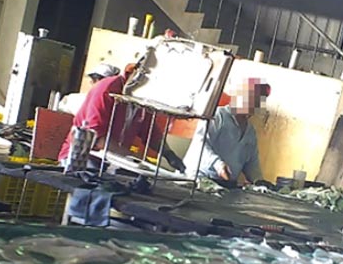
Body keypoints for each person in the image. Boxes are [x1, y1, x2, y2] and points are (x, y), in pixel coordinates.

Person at [57, 64, 185, 171]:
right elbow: (96, 138)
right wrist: (136, 159)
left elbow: (151, 133)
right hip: (81, 157)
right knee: (91, 189)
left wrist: (169, 154)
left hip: (111, 160)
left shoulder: (143, 98)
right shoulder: (106, 89)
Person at [183, 78, 271, 185]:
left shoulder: (250, 132)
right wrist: (218, 164)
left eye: (259, 102)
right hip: (197, 178)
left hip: (225, 185)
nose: (255, 105)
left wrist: (259, 181)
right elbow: (200, 143)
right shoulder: (217, 116)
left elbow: (252, 163)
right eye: (253, 99)